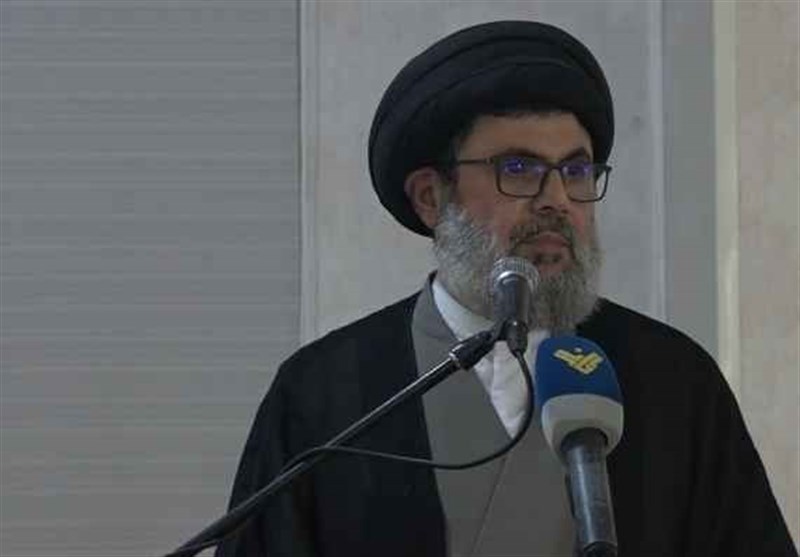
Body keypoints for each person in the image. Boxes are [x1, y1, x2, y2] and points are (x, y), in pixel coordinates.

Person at [215, 21, 797, 557]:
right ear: (431, 198)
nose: (557, 200)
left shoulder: (674, 379)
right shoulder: (324, 394)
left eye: (576, 171)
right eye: (519, 169)